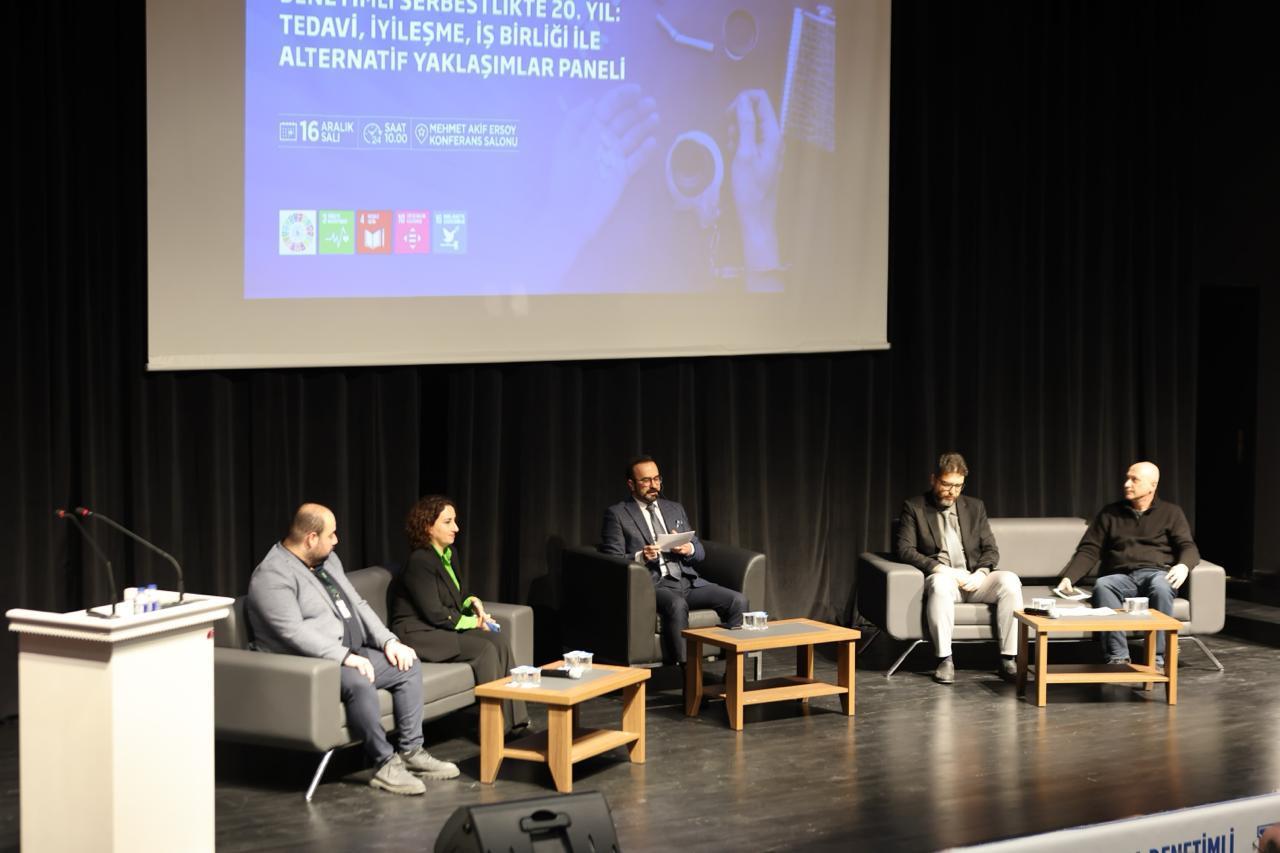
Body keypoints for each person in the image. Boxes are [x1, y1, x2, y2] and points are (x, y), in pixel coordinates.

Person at [247, 503, 459, 796]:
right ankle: (384, 763)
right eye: (331, 535)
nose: (336, 541)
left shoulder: (327, 560)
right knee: (360, 683)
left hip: (348, 652)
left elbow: (357, 603)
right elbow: (291, 631)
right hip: (307, 665)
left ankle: (412, 751)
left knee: (407, 665)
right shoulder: (272, 575)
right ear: (311, 538)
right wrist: (345, 657)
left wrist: (389, 642)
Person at [388, 495, 529, 732]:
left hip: (438, 628)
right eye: (448, 522)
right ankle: (494, 730)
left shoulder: (450, 554)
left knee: (500, 640)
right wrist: (474, 623)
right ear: (427, 526)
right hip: (418, 634)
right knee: (484, 650)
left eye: (455, 521)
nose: (456, 528)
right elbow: (435, 613)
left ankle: (516, 719)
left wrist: (474, 604)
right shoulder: (419, 562)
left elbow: (458, 595)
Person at [599, 455, 746, 664]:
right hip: (655, 585)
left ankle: (735, 674)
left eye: (656, 479)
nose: (653, 485)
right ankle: (689, 675)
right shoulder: (617, 514)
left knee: (738, 601)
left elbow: (700, 551)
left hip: (688, 582)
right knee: (677, 605)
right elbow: (612, 562)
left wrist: (688, 549)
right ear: (631, 484)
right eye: (646, 480)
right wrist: (641, 557)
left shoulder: (674, 508)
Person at [896, 452, 1023, 684]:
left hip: (973, 578)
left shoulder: (975, 507)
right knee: (940, 584)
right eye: (946, 484)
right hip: (945, 578)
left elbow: (991, 549)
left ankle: (1008, 658)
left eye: (958, 486)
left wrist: (982, 573)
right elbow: (905, 549)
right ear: (934, 479)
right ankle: (945, 659)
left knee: (1010, 581)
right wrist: (943, 570)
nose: (952, 492)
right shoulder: (915, 507)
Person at [1056, 461, 1199, 665]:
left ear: (1152, 485)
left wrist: (1183, 565)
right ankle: (1118, 656)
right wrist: (1069, 577)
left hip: (1155, 573)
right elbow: (1090, 548)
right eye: (1127, 478)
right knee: (1103, 585)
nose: (1126, 484)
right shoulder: (1110, 513)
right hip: (1120, 576)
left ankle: (1158, 657)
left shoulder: (1171, 512)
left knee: (1162, 586)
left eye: (1134, 480)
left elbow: (1188, 546)